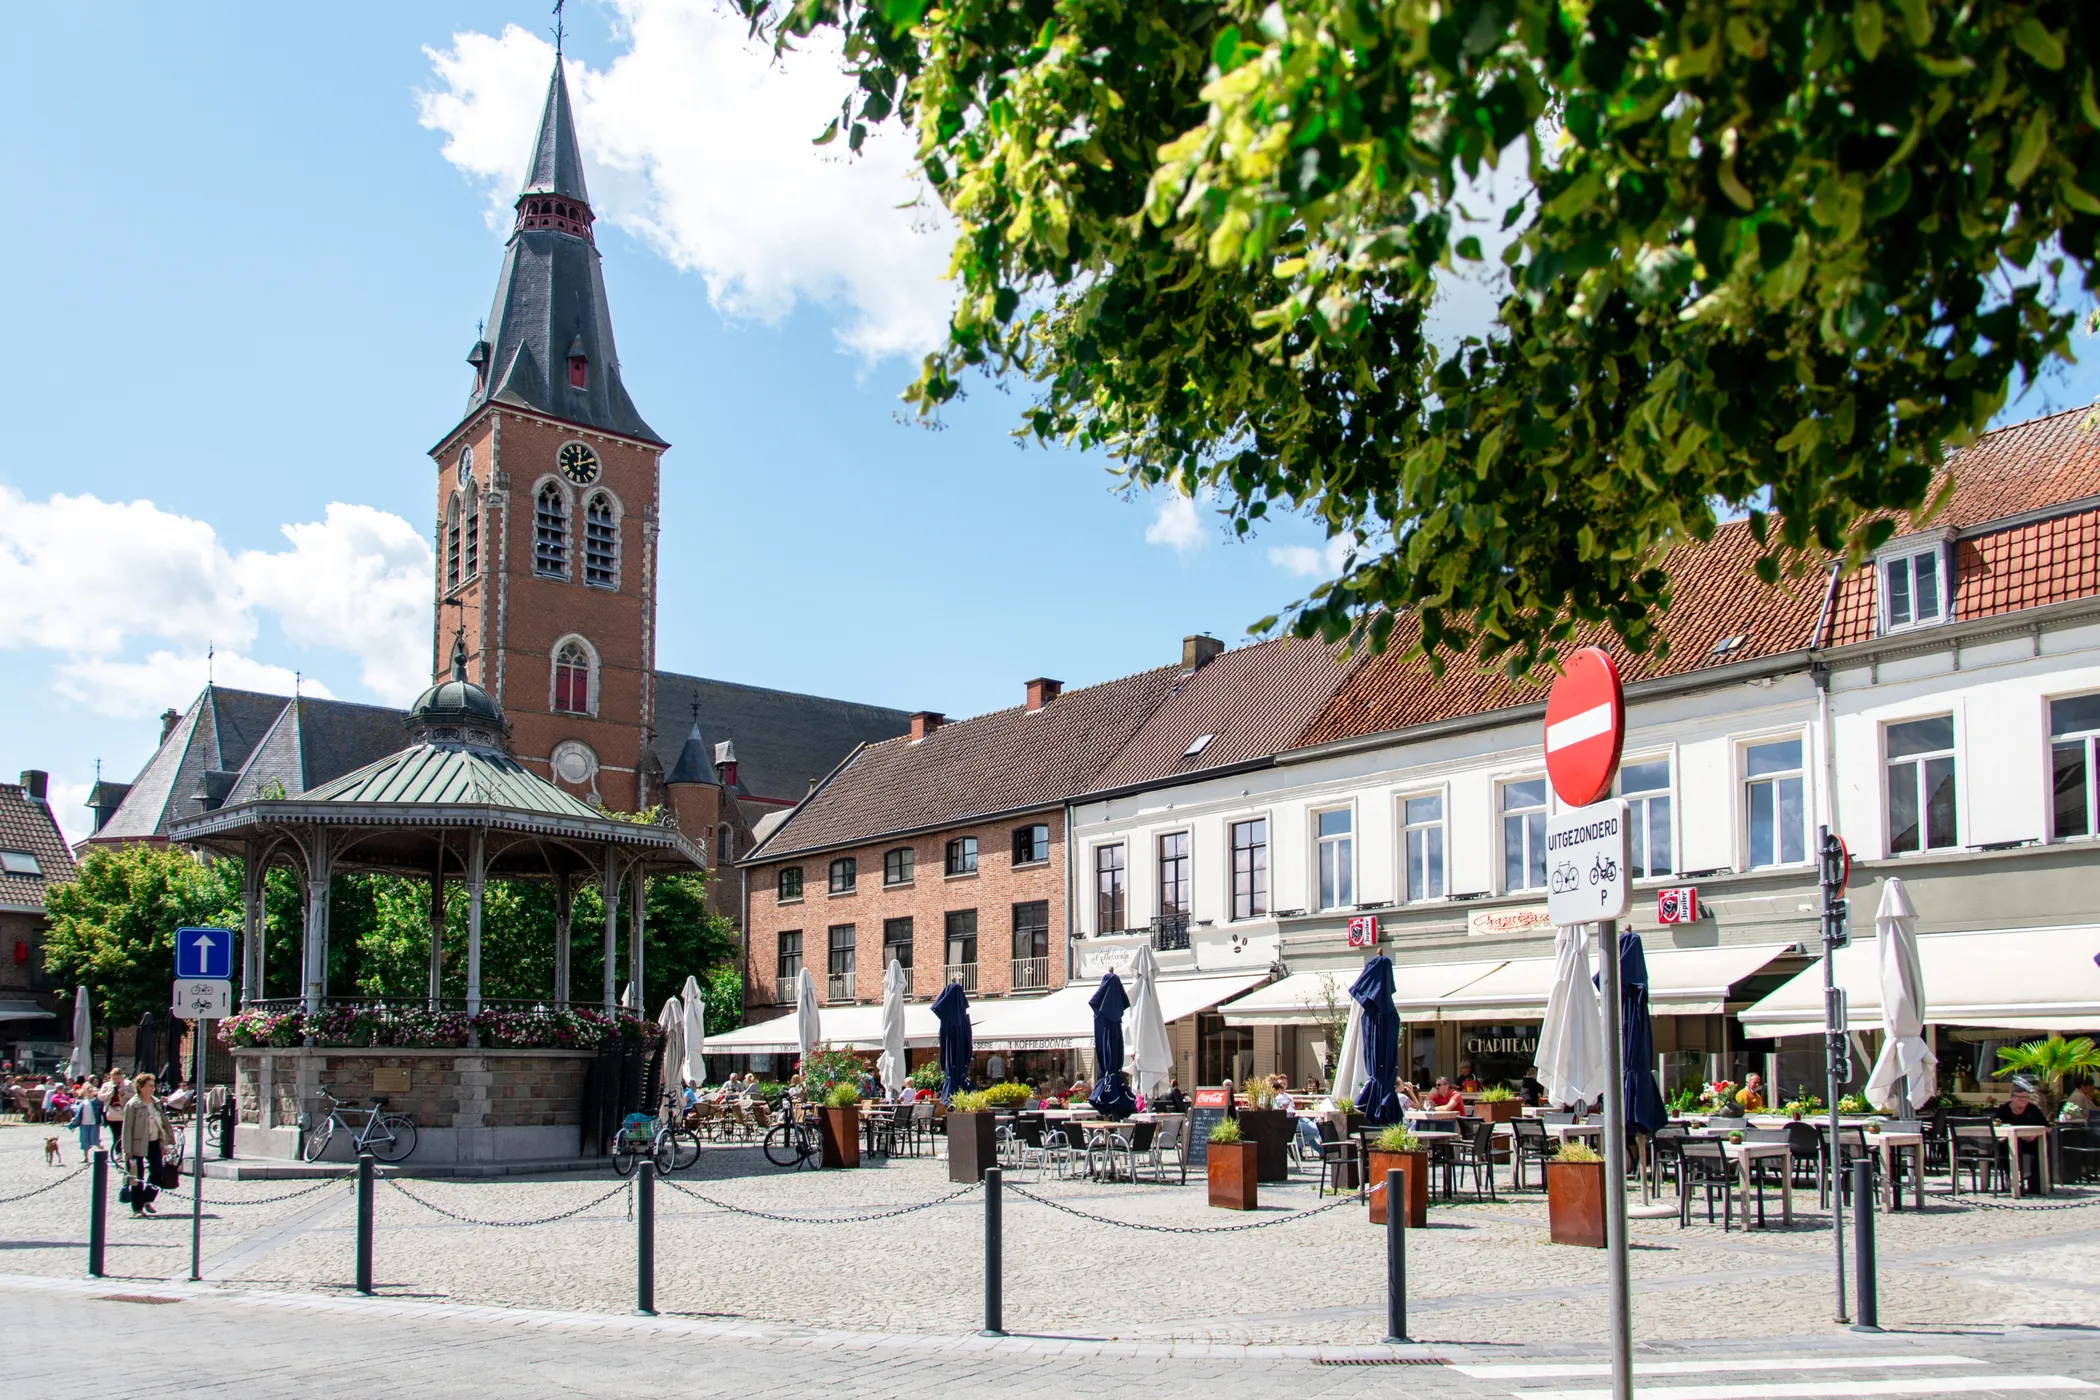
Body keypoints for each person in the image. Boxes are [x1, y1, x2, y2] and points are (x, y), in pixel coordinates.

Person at [120, 1074, 166, 1216]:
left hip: (154, 1142)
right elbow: (127, 1128)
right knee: (136, 1176)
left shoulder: (155, 1102)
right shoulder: (133, 1104)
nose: (153, 1088)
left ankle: (147, 1198)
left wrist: (163, 1142)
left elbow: (162, 1124)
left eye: (153, 1085)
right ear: (141, 1087)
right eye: (150, 1085)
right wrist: (127, 1150)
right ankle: (137, 1208)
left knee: (158, 1172)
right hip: (137, 1143)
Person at [1994, 1080, 2051, 1193]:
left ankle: (2036, 1182)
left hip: (2030, 1141)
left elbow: (2048, 1128)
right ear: (2012, 1098)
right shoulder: (2004, 1110)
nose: (2024, 1100)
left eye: (2026, 1097)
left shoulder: (2032, 1109)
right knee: (2005, 1146)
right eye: (2021, 1097)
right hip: (2010, 1142)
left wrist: (2035, 1134)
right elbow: (1996, 1126)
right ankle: (2012, 1178)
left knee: (2041, 1147)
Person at [70, 1079, 106, 1164]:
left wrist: (105, 1121)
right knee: (84, 1140)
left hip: (94, 1124)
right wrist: (74, 1123)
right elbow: (78, 1115)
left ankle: (104, 1153)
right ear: (84, 1092)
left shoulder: (97, 1102)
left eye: (91, 1090)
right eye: (87, 1090)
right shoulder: (82, 1102)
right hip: (84, 1124)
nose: (89, 1091)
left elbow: (102, 1112)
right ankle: (86, 1157)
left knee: (95, 1140)